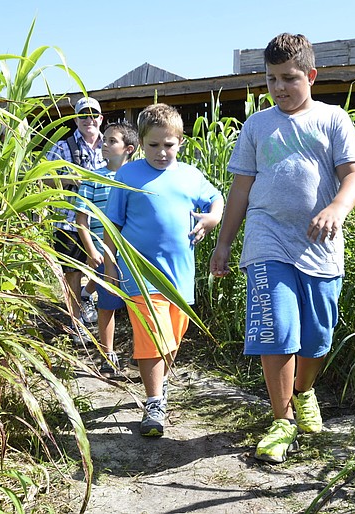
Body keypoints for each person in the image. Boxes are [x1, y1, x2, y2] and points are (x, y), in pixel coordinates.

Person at [209, 33, 355, 464]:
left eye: (289, 78)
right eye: (271, 78)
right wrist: (225, 242)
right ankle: (281, 420)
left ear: (310, 76)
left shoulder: (333, 119)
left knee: (317, 339)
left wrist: (336, 207)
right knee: (277, 329)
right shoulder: (257, 125)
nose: (279, 87)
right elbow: (241, 188)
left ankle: (305, 389)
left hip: (320, 247)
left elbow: (354, 175)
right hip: (267, 239)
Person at [104, 103, 223, 437]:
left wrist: (212, 218)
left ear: (180, 142)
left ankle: (158, 379)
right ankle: (154, 402)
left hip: (180, 276)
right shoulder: (128, 175)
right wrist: (110, 265)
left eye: (168, 144)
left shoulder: (190, 175)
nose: (161, 152)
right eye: (153, 145)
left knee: (170, 339)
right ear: (140, 144)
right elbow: (112, 223)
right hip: (140, 273)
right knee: (153, 336)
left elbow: (216, 199)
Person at [74, 121, 138, 377]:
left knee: (137, 305)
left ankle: (139, 353)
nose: (105, 145)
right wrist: (91, 250)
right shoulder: (94, 177)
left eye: (112, 141)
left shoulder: (136, 177)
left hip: (133, 254)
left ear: (129, 149)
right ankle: (107, 352)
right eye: (105, 140)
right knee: (108, 304)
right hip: (105, 253)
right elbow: (81, 218)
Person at [45, 97, 106, 345]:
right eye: (83, 115)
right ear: (76, 119)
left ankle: (87, 294)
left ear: (101, 118)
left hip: (102, 220)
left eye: (94, 115)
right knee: (71, 272)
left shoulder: (111, 144)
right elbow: (44, 179)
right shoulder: (62, 146)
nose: (88, 120)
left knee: (103, 266)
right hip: (68, 221)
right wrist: (70, 177)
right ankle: (76, 323)